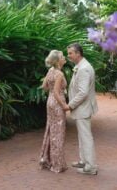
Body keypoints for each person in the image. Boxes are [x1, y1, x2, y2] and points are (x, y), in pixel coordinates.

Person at [66, 43, 98, 175]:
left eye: (70, 53)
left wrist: (70, 105)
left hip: (83, 108)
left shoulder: (84, 68)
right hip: (82, 108)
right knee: (82, 136)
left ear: (78, 53)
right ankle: (84, 161)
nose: (68, 56)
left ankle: (90, 166)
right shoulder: (80, 66)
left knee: (86, 137)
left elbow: (83, 92)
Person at [39, 50, 69, 173]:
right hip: (57, 103)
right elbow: (57, 93)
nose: (64, 57)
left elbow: (44, 87)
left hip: (49, 102)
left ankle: (46, 159)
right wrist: (65, 105)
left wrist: (52, 91)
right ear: (57, 61)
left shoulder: (50, 71)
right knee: (58, 133)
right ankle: (57, 164)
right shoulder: (59, 74)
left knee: (51, 130)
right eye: (62, 56)